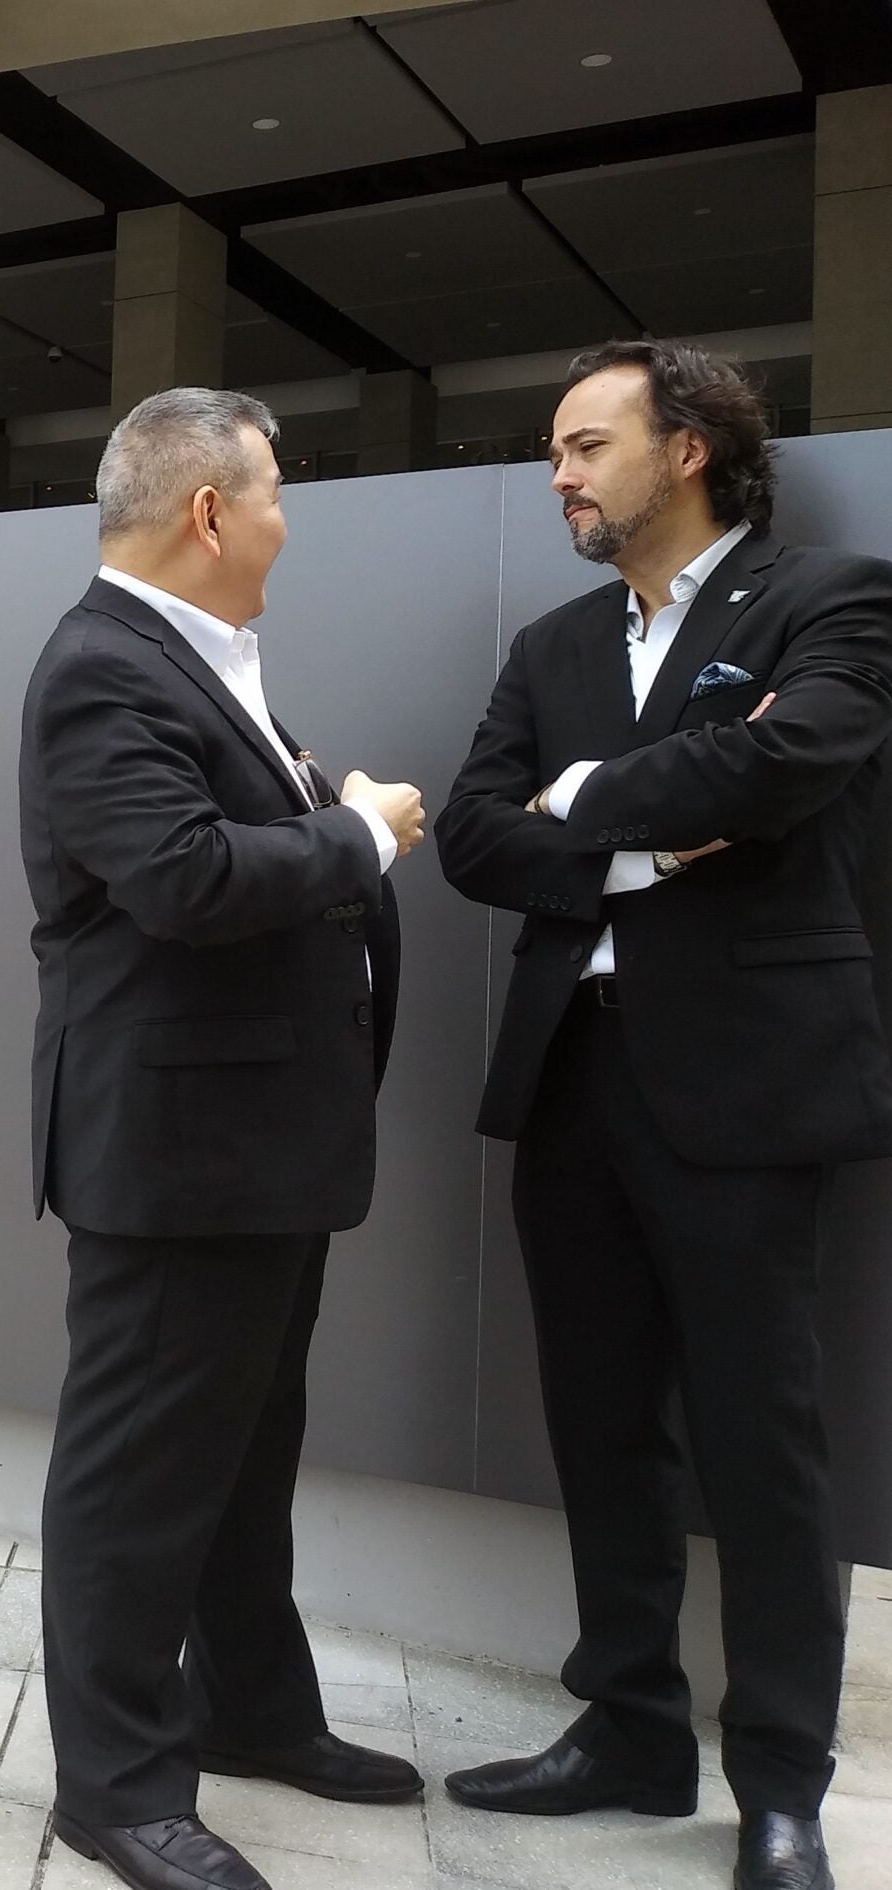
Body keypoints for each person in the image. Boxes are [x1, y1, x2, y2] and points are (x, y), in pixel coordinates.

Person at [435, 340, 892, 1890]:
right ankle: (627, 1728)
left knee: (765, 1446)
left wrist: (589, 801)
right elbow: (476, 836)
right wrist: (652, 828)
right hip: (577, 1073)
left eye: (583, 444)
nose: (558, 473)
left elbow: (796, 756)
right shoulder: (552, 638)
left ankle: (779, 1787)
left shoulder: (833, 597)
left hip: (751, 1080)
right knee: (604, 1420)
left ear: (686, 447)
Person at [19, 387, 428, 1890]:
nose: (283, 521)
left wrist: (327, 815)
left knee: (248, 1453)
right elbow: (183, 878)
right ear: (209, 511)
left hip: (261, 1143)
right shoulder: (101, 670)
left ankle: (256, 1711)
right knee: (139, 1472)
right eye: (274, 494)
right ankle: (117, 1784)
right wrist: (364, 828)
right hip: (179, 1154)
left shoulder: (202, 663)